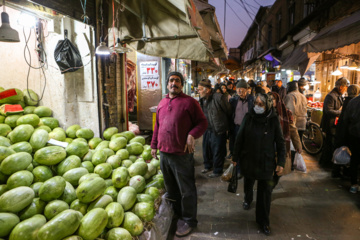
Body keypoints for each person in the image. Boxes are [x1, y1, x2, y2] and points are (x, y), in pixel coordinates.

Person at [150, 72, 207, 237]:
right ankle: (176, 215)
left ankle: (189, 220)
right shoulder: (162, 102)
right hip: (164, 154)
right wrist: (154, 145)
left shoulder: (190, 103)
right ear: (167, 84)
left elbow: (202, 122)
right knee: (171, 189)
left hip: (181, 155)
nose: (174, 83)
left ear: (181, 85)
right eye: (171, 80)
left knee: (187, 189)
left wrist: (192, 134)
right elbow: (157, 127)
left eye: (177, 81)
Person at [232, 93, 285, 236]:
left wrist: (281, 162)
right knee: (248, 183)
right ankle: (247, 199)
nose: (258, 106)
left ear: (267, 105)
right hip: (249, 159)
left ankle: (263, 221)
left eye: (261, 104)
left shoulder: (273, 119)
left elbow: (280, 142)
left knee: (265, 193)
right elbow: (240, 137)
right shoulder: (249, 117)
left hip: (266, 162)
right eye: (256, 103)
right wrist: (235, 157)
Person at [198, 79, 232, 178]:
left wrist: (224, 124)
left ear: (207, 90)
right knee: (206, 149)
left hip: (218, 129)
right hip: (207, 128)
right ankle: (208, 166)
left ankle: (217, 170)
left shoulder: (219, 98)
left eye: (200, 89)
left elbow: (228, 111)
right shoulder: (202, 99)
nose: (198, 92)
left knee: (217, 150)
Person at [268, 92, 302, 188]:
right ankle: (268, 190)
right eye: (268, 99)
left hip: (281, 146)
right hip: (267, 146)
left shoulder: (286, 113)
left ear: (277, 100)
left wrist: (298, 145)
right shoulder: (264, 112)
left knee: (278, 171)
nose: (270, 101)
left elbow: (292, 130)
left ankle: (271, 186)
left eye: (272, 99)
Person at [319, 77, 349, 171]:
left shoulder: (339, 95)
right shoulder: (331, 96)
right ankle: (326, 163)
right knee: (329, 144)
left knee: (330, 144)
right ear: (341, 87)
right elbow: (328, 111)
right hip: (330, 125)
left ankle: (326, 162)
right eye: (345, 87)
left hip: (334, 125)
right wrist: (341, 112)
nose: (346, 89)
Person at [335, 84, 360, 191]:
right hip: (355, 134)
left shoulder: (353, 102)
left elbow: (345, 119)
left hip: (354, 135)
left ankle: (354, 184)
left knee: (354, 159)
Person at [227, 79, 254, 162]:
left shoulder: (252, 100)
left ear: (246, 89)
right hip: (236, 128)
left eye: (241, 88)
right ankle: (238, 168)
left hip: (248, 128)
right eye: (237, 88)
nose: (239, 90)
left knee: (247, 148)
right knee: (236, 147)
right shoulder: (233, 100)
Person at [284, 81, 307, 168]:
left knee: (292, 144)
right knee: (298, 142)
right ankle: (296, 162)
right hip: (302, 122)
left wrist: (289, 122)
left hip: (294, 123)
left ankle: (292, 163)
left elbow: (290, 110)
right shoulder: (302, 96)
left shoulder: (290, 96)